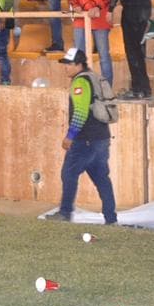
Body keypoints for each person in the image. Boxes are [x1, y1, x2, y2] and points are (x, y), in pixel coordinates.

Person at [43, 47, 117, 225]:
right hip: (102, 137)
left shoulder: (80, 82)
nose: (65, 68)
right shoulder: (94, 77)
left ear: (79, 64)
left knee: (69, 173)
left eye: (68, 64)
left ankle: (65, 212)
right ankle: (111, 217)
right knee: (101, 178)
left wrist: (70, 136)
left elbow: (81, 112)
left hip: (86, 139)